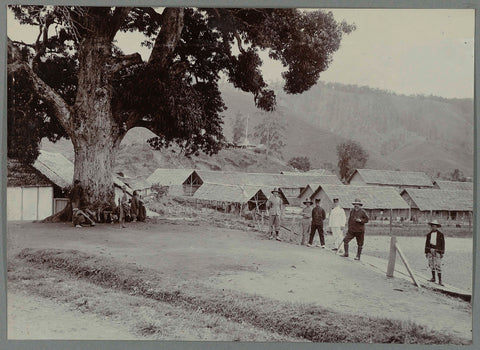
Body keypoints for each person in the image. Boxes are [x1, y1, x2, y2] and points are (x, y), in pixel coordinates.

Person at [425, 219, 445, 286]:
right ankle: (433, 278)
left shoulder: (440, 235)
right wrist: (426, 252)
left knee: (438, 265)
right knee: (431, 264)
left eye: (434, 226)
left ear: (437, 227)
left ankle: (440, 280)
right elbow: (426, 243)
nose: (433, 227)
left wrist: (442, 252)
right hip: (430, 250)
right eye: (432, 226)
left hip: (437, 251)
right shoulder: (428, 235)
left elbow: (443, 244)